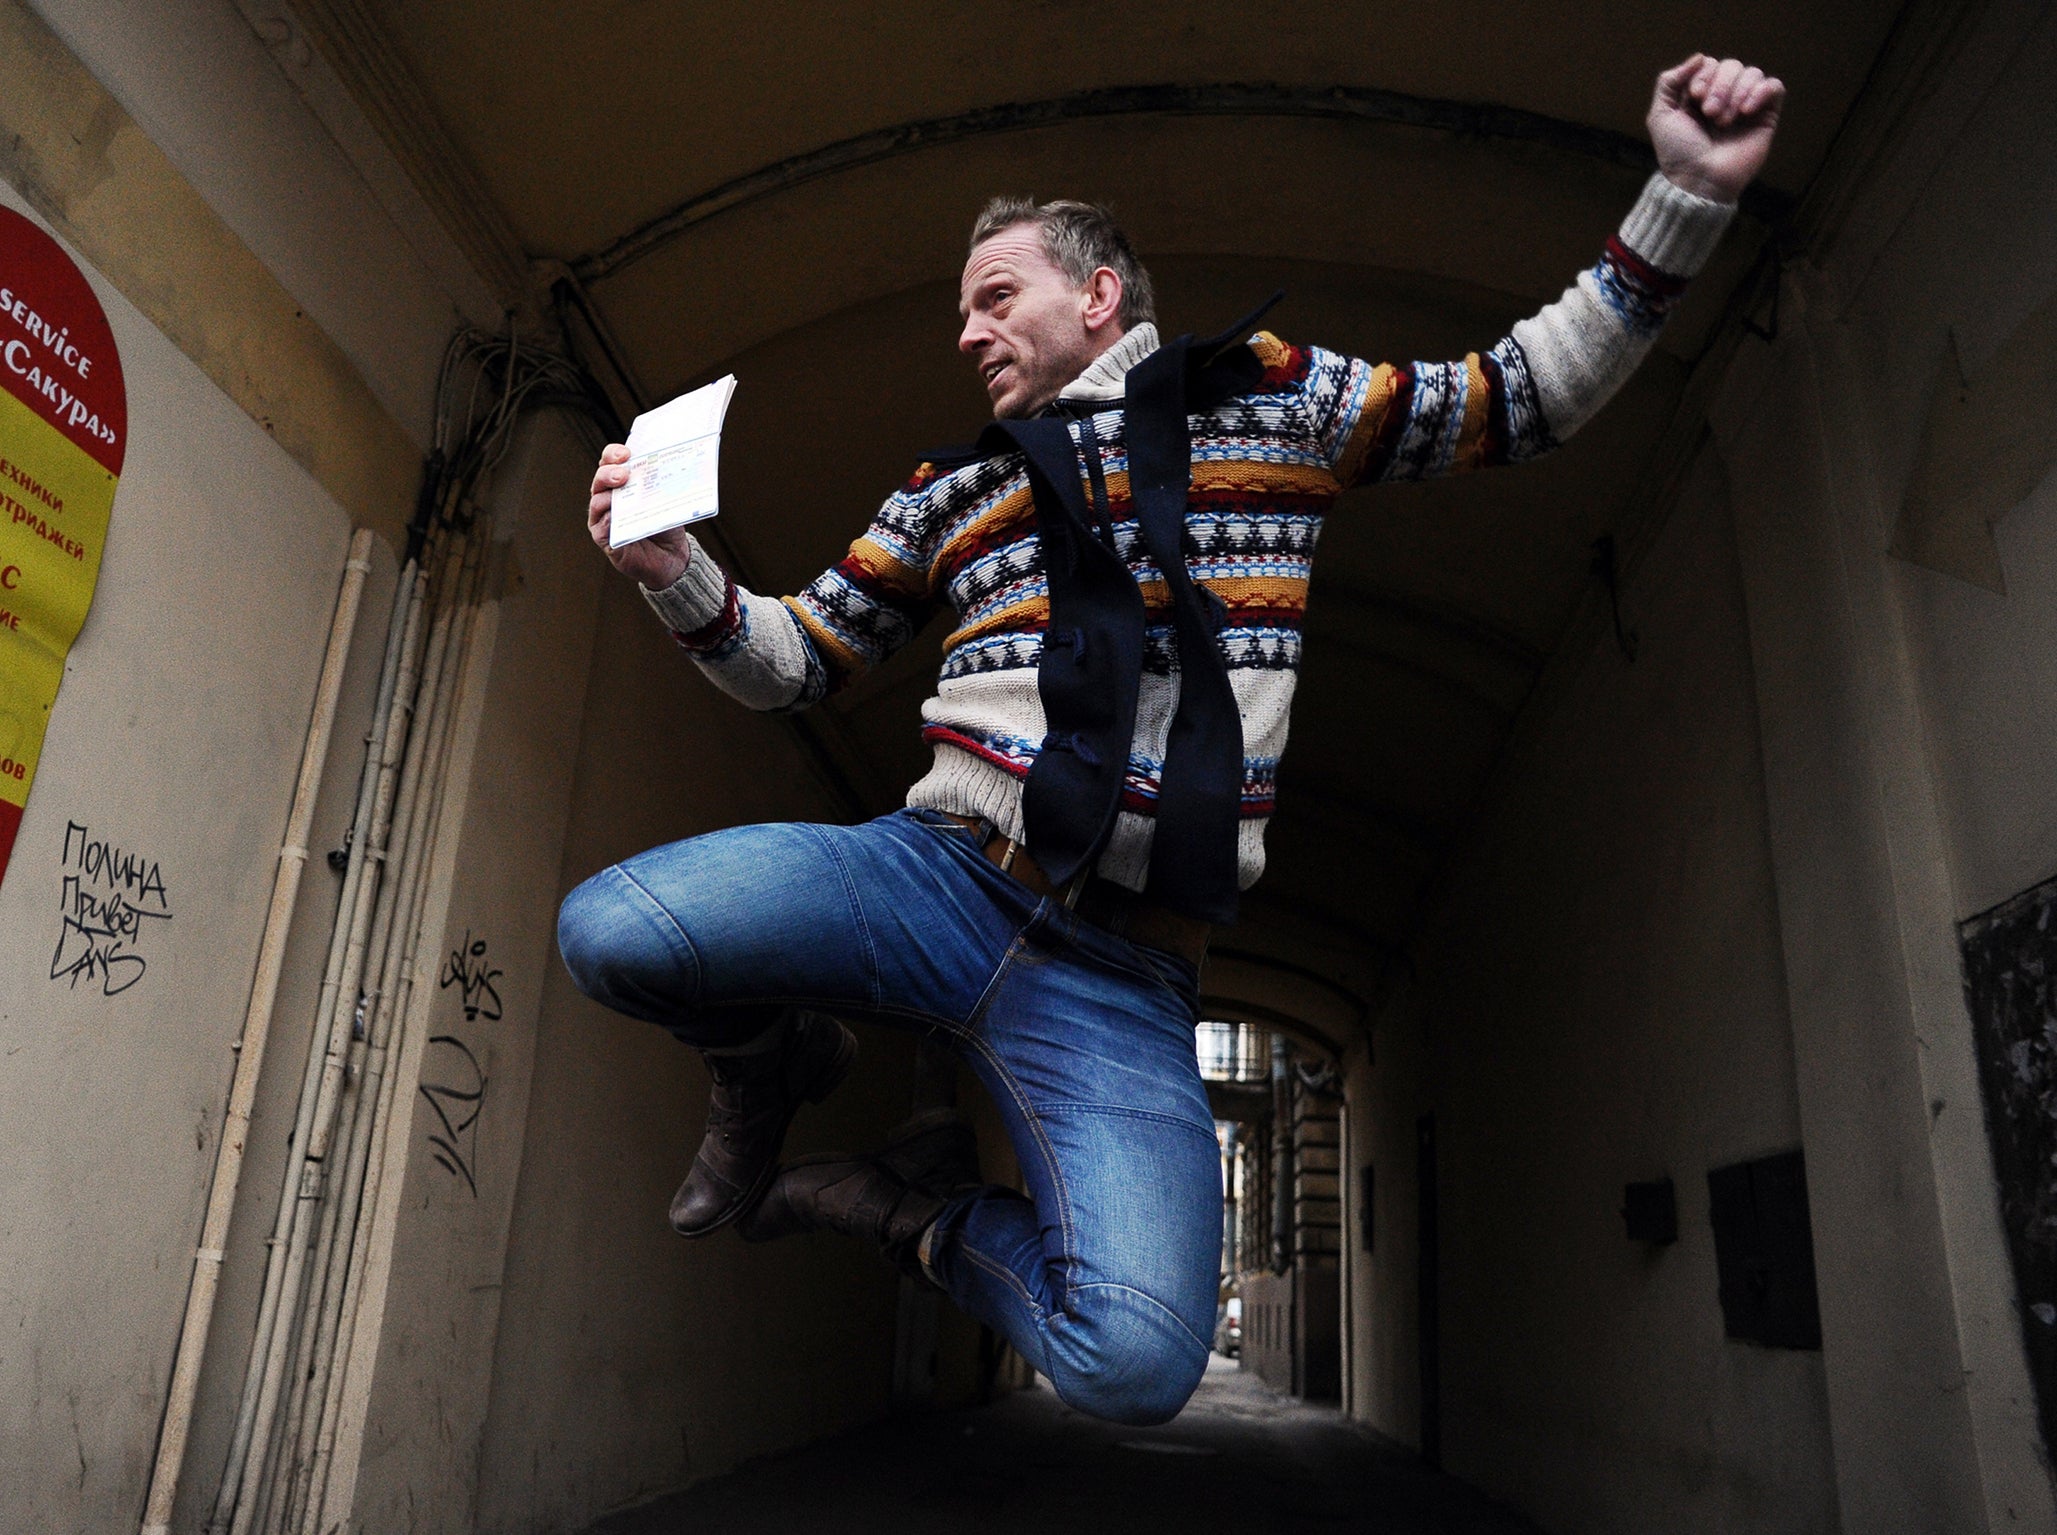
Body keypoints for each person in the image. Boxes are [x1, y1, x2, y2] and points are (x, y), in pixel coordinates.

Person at [559, 54, 1784, 1426]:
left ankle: (904, 1208)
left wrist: (1680, 196)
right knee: (612, 933)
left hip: (1120, 968)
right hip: (934, 881)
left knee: (1133, 1362)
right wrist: (675, 570)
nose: (965, 333)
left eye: (993, 297)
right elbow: (797, 664)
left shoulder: (1279, 409)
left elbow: (1514, 396)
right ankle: (769, 1064)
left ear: (1098, 296)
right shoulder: (949, 490)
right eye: (961, 312)